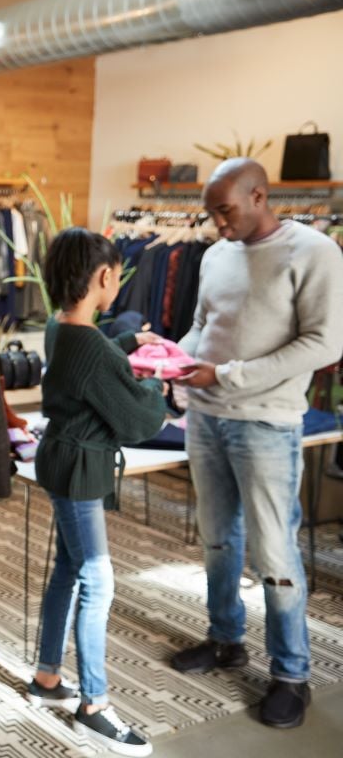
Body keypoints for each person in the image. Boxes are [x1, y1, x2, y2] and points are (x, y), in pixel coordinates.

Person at [171, 158, 343, 729]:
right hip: (206, 417)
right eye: (211, 214)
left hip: (266, 423)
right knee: (218, 540)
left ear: (259, 195)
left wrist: (226, 374)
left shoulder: (315, 252)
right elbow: (202, 324)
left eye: (226, 211)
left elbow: (323, 344)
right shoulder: (217, 254)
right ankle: (225, 639)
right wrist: (172, 356)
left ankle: (291, 674)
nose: (218, 224)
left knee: (274, 551)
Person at [28, 228, 166, 757]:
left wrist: (130, 345)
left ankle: (46, 677)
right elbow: (137, 420)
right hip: (79, 470)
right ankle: (94, 705)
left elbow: (93, 356)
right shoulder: (88, 345)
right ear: (106, 277)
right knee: (98, 581)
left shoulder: (58, 328)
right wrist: (159, 386)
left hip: (61, 460)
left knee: (69, 569)